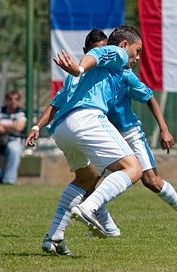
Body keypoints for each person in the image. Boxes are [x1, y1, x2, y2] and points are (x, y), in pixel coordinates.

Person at [26, 25, 144, 255]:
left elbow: (56, 103)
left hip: (62, 128)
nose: (138, 57)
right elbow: (100, 53)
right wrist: (80, 67)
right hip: (86, 119)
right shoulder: (117, 53)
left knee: (86, 177)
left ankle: (54, 237)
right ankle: (90, 207)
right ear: (124, 46)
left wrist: (36, 126)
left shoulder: (80, 78)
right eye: (137, 51)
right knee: (133, 169)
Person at [83, 30, 177, 239]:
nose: (138, 57)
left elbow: (149, 98)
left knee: (151, 181)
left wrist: (164, 129)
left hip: (129, 133)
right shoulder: (94, 72)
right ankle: (106, 227)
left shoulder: (125, 75)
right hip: (104, 132)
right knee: (89, 180)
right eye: (137, 51)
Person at [0, 90, 26, 184]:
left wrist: (1, 124)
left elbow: (19, 127)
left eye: (16, 99)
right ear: (6, 100)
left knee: (15, 150)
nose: (13, 101)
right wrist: (12, 126)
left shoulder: (21, 112)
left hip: (14, 140)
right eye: (10, 99)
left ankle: (9, 180)